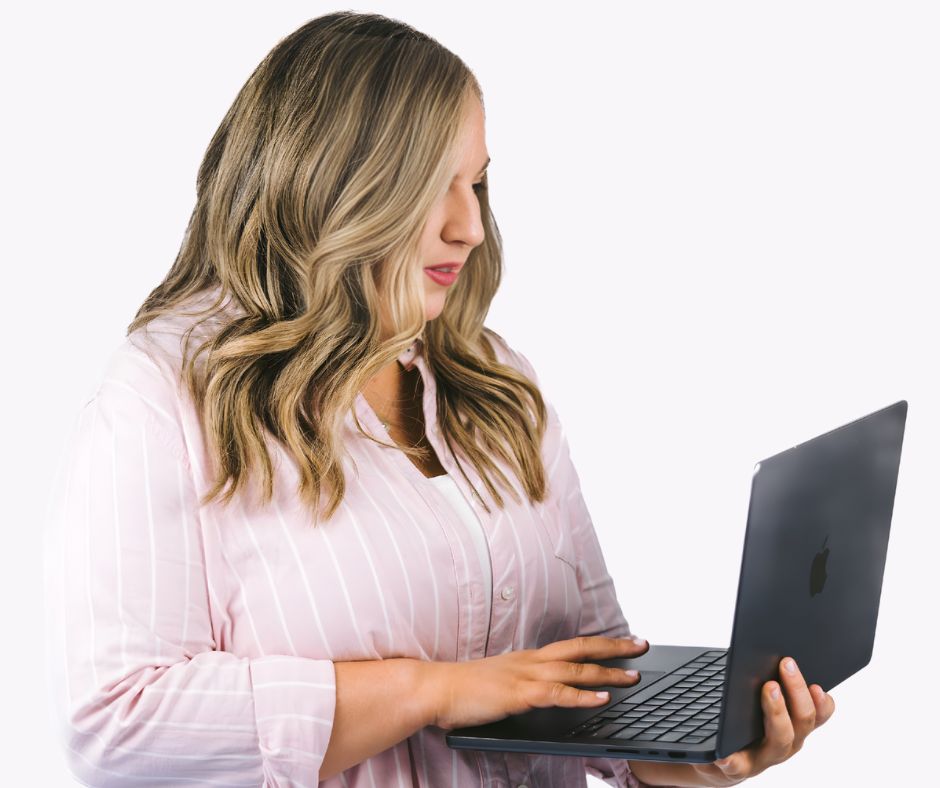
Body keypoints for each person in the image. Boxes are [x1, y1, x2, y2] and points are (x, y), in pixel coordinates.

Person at [43, 11, 835, 787]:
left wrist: (700, 752)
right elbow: (116, 722)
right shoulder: (162, 401)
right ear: (330, 186)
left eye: (478, 182)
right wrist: (432, 690)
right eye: (434, 185)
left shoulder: (498, 382)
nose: (471, 227)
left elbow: (588, 681)